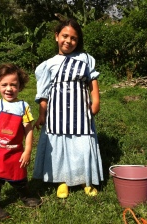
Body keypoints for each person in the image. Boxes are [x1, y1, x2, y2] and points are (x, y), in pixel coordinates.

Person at [33, 19, 104, 198]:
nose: (69, 41)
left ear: (78, 41)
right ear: (57, 36)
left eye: (73, 38)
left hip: (80, 113)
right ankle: (62, 180)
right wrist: (42, 114)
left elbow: (92, 81)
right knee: (60, 149)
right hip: (56, 114)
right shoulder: (48, 64)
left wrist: (96, 100)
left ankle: (84, 180)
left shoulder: (85, 59)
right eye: (65, 36)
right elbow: (44, 93)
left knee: (82, 147)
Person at [0, 63, 42, 220]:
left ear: (20, 86)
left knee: (19, 178)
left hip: (15, 153)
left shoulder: (23, 107)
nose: (9, 88)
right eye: (4, 84)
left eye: (13, 84)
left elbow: (28, 130)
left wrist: (27, 152)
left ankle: (25, 196)